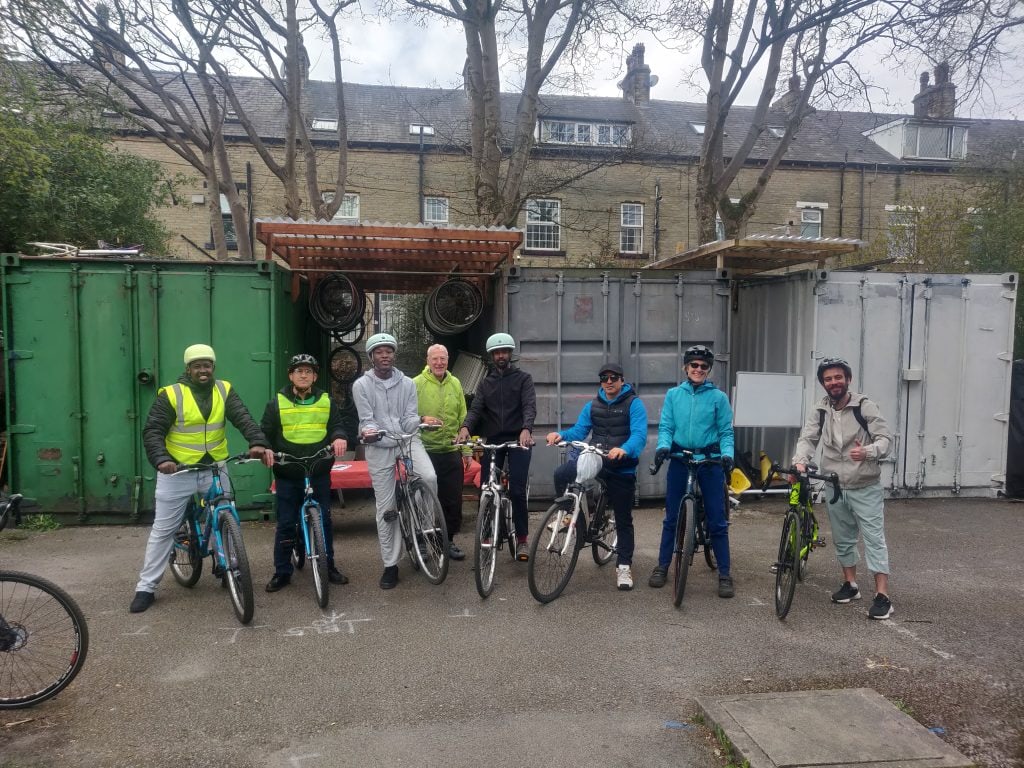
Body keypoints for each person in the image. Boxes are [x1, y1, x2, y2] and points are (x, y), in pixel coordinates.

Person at [130, 344, 270, 613]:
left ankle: (230, 567)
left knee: (226, 515)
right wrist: (162, 459)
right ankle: (146, 587)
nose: (203, 370)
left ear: (213, 368)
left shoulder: (224, 390)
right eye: (197, 366)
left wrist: (257, 441)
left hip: (214, 468)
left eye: (207, 365)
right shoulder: (171, 395)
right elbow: (153, 431)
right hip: (178, 470)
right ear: (188, 369)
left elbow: (244, 419)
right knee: (163, 530)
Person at [792, 356, 895, 619]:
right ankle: (850, 585)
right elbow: (808, 438)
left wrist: (870, 451)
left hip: (864, 485)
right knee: (843, 539)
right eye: (828, 379)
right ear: (823, 383)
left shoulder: (864, 406)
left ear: (847, 379)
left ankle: (883, 596)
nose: (834, 382)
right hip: (835, 485)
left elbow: (886, 439)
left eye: (838, 377)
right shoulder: (820, 409)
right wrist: (800, 462)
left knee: (874, 539)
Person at [545, 362, 647, 590]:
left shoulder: (634, 404)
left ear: (622, 380)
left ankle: (623, 565)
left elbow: (640, 435)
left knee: (623, 519)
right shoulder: (593, 405)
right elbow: (579, 431)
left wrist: (625, 449)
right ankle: (572, 517)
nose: (609, 382)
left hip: (622, 465)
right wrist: (559, 435)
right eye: (604, 378)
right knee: (563, 473)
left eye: (613, 377)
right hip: (598, 458)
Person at [352, 333, 438, 590]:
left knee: (429, 477)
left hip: (406, 439)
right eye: (379, 351)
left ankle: (423, 529)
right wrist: (369, 431)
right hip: (378, 445)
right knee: (386, 509)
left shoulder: (408, 384)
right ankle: (390, 564)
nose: (385, 355)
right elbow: (366, 418)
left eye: (389, 350)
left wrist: (423, 420)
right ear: (371, 357)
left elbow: (410, 418)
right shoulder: (361, 386)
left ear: (394, 354)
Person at [651, 344, 736, 598]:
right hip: (679, 459)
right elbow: (666, 426)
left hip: (709, 462)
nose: (698, 369)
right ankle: (662, 566)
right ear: (686, 367)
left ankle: (724, 573)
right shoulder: (673, 395)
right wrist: (663, 446)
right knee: (671, 518)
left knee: (717, 520)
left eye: (703, 366)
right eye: (694, 365)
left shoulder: (718, 398)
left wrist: (727, 455)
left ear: (708, 370)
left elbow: (725, 432)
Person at [260, 353, 350, 593]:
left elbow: (337, 425)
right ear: (291, 375)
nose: (303, 375)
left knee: (324, 520)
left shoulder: (326, 400)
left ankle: (328, 566)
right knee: (287, 522)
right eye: (298, 371)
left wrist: (339, 437)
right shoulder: (276, 402)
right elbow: (265, 431)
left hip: (318, 469)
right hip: (288, 471)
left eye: (308, 371)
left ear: (315, 376)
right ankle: (282, 571)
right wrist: (264, 448)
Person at [456, 333, 536, 561]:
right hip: (493, 440)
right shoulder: (485, 383)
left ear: (510, 354)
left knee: (518, 490)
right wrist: (465, 428)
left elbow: (529, 406)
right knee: (486, 488)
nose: (501, 356)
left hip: (518, 440)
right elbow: (476, 409)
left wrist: (526, 428)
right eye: (497, 353)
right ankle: (489, 534)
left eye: (504, 352)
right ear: (492, 356)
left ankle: (522, 540)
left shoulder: (523, 379)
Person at [413, 344, 468, 561]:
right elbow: (409, 416)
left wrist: (465, 451)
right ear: (427, 361)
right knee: (423, 499)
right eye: (434, 359)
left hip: (451, 449)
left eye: (443, 359)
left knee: (452, 501)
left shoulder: (455, 383)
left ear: (448, 360)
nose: (439, 363)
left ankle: (447, 540)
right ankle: (421, 541)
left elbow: (463, 416)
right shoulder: (415, 384)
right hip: (424, 450)